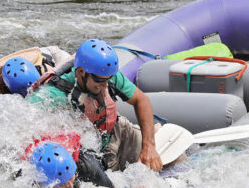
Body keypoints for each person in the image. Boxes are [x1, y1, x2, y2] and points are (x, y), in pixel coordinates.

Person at [27, 38, 163, 172]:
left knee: (165, 158)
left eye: (108, 79)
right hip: (92, 155)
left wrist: (149, 146)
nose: (105, 85)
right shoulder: (54, 95)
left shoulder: (106, 75)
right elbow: (22, 119)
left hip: (115, 131)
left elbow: (141, 100)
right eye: (99, 80)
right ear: (81, 72)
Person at [26, 137, 122, 188]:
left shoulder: (88, 167)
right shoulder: (32, 175)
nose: (69, 187)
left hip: (87, 160)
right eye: (61, 184)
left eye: (70, 177)